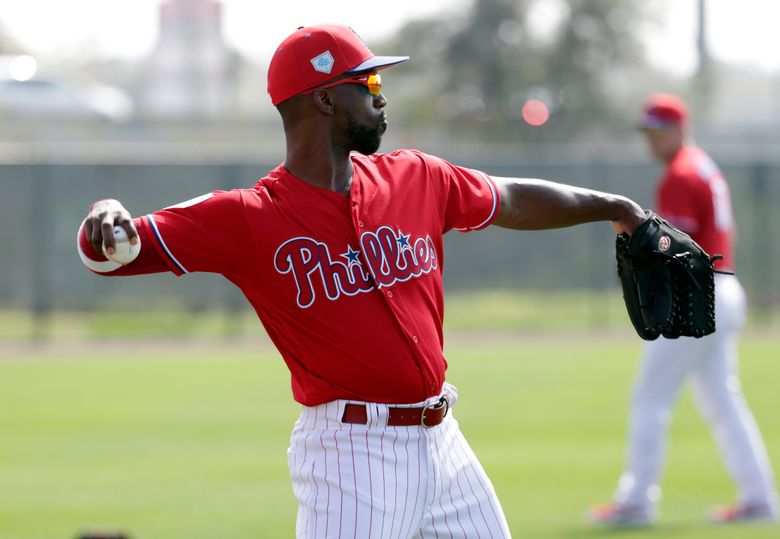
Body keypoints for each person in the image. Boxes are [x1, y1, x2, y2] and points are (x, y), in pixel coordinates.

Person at [78, 24, 647, 538]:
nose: (381, 95)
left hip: (443, 440)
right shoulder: (250, 216)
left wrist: (618, 208)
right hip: (353, 456)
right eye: (367, 80)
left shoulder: (416, 177)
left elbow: (514, 199)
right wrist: (104, 211)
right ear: (325, 98)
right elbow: (112, 253)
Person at [589, 93, 778, 527]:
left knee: (650, 397)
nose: (651, 140)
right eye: (647, 132)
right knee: (723, 402)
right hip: (723, 287)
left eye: (658, 131)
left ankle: (636, 501)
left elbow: (676, 252)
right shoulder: (702, 165)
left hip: (700, 293)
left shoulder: (680, 174)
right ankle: (758, 498)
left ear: (678, 129)